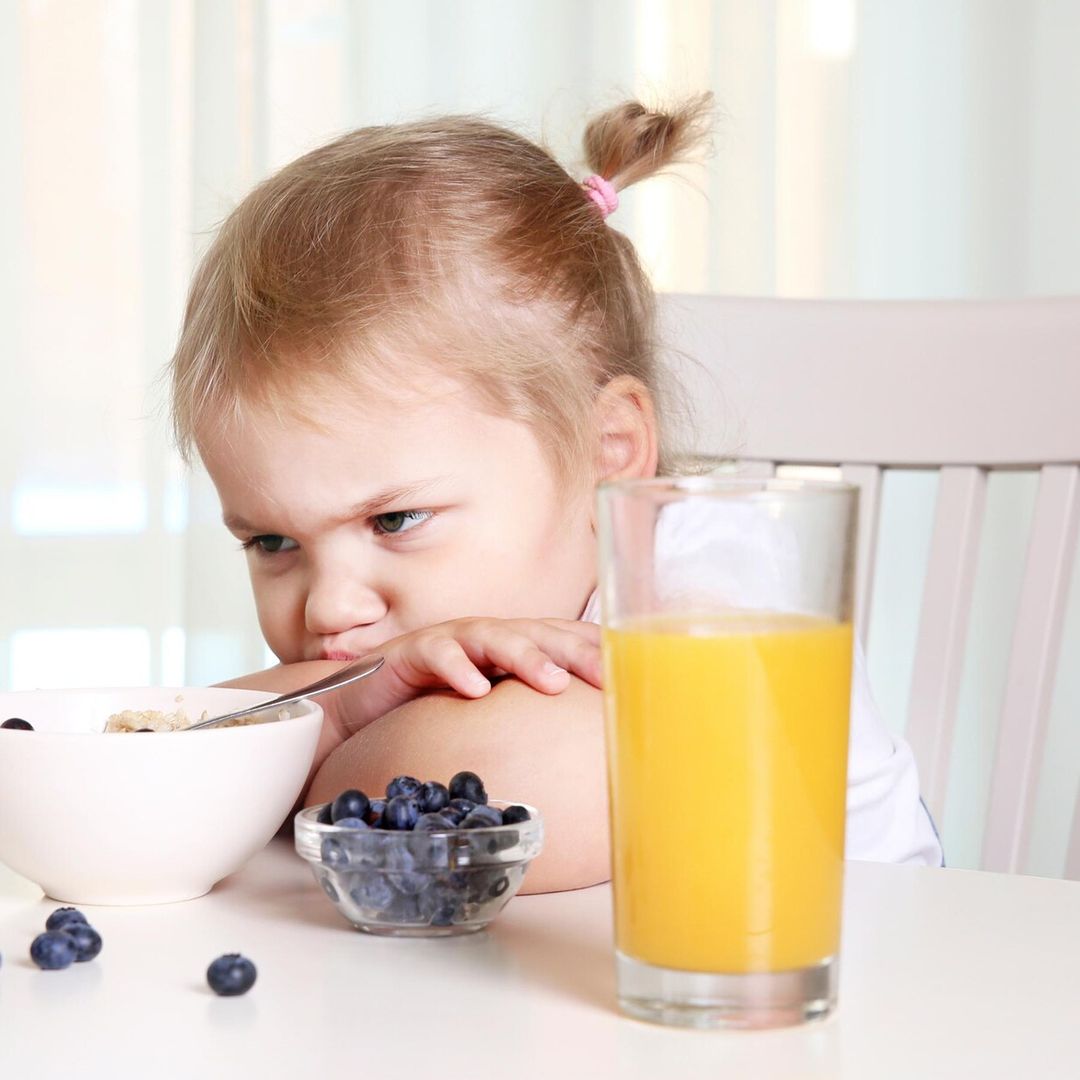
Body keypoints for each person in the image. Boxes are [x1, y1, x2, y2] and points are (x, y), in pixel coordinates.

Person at [168, 95, 943, 893]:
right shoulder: (387, 647)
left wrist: (293, 757)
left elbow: (545, 787)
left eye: (395, 520)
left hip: (864, 987)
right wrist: (344, 706)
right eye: (272, 543)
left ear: (609, 457)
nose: (328, 609)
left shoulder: (713, 566)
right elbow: (140, 761)